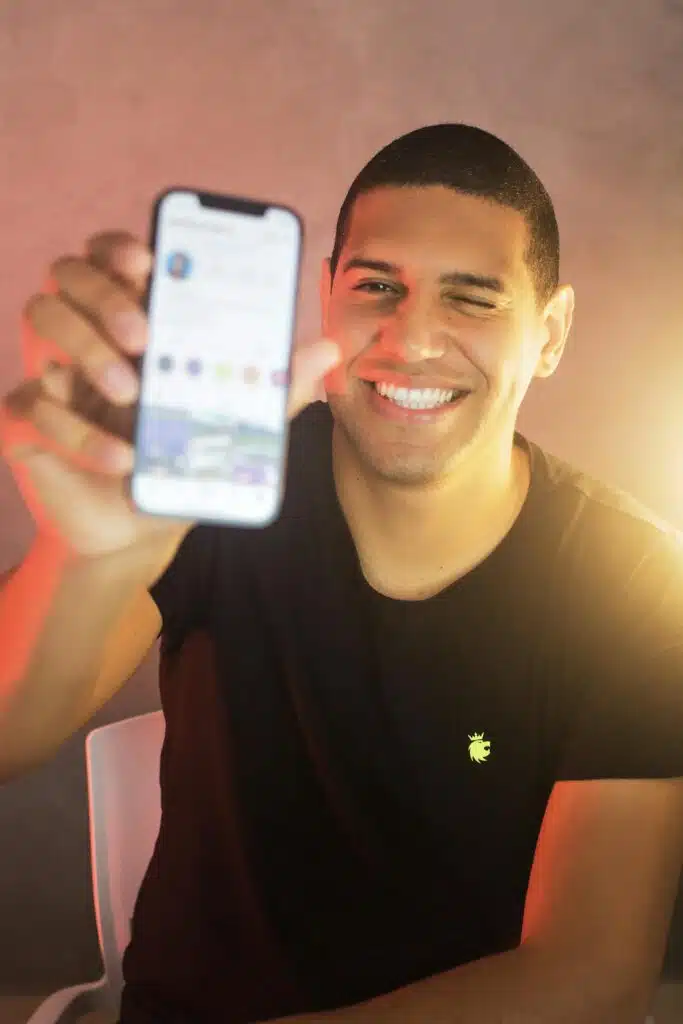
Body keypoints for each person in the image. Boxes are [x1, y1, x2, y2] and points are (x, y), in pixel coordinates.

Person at [1, 123, 682, 1024]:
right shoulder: (219, 487)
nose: (412, 339)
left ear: (548, 333)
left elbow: (592, 977)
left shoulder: (636, 583)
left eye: (472, 299)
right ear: (327, 297)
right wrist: (84, 557)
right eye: (376, 288)